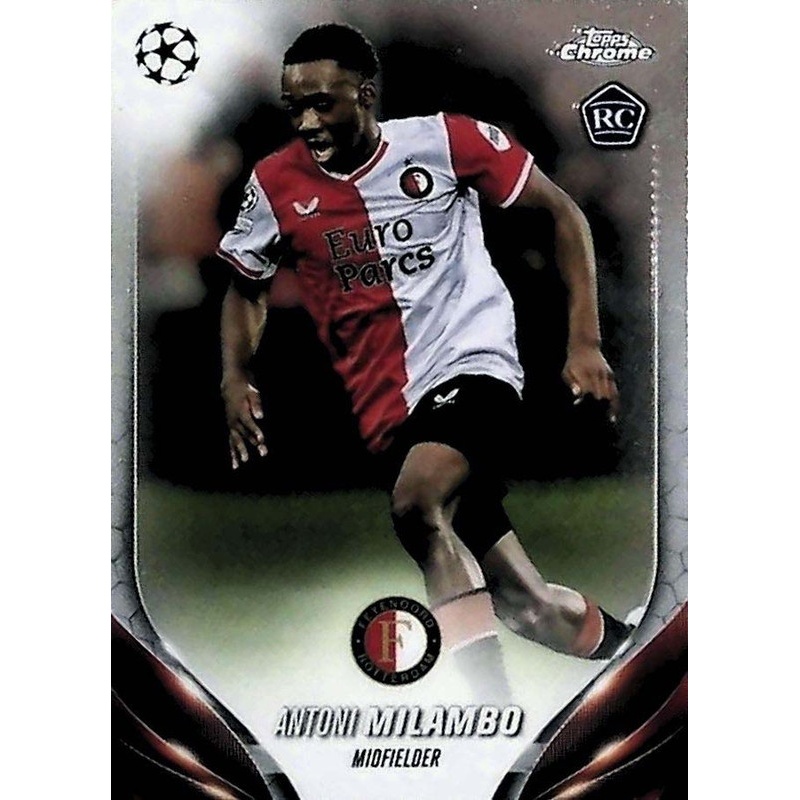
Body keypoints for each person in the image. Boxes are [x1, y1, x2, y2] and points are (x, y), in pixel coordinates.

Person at [216, 23, 633, 702]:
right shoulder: (275, 184)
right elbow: (245, 286)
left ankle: (493, 719)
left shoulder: (445, 142)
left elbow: (563, 214)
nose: (308, 121)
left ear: (366, 94)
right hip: (387, 409)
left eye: (323, 103)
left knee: (418, 503)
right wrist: (236, 375)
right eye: (295, 107)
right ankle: (637, 650)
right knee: (527, 605)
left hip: (474, 361)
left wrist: (583, 342)